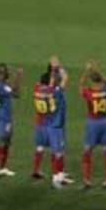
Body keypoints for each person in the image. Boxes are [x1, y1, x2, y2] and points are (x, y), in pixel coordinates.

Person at [79, 60, 106, 189]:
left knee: (87, 150)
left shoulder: (89, 93)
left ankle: (86, 179)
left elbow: (80, 85)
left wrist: (87, 70)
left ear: (92, 81)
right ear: (101, 81)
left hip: (92, 123)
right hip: (104, 122)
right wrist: (98, 70)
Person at [46, 57, 72, 189]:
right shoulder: (58, 92)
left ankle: (60, 174)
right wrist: (59, 67)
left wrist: (53, 69)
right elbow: (66, 77)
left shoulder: (50, 90)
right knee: (58, 153)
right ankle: (56, 179)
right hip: (55, 127)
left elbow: (52, 80)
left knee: (60, 151)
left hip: (56, 125)